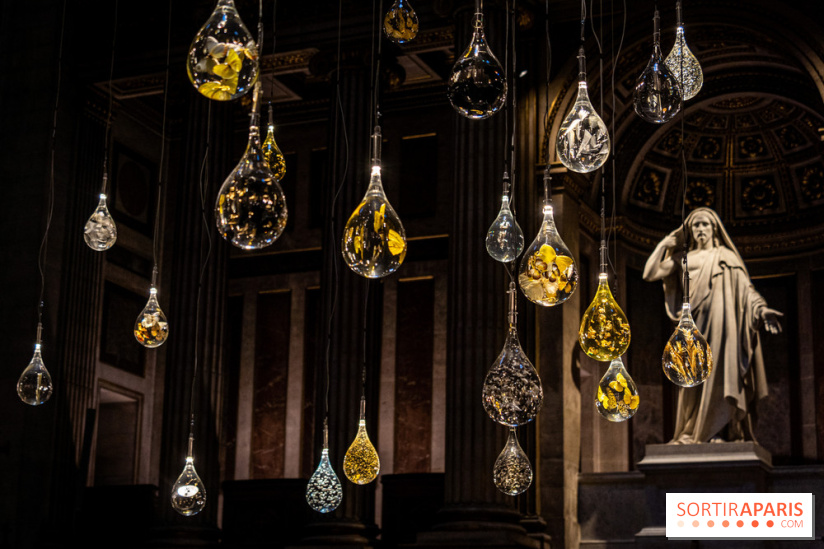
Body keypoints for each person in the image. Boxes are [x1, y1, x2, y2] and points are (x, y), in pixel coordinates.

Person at [643, 207, 782, 444]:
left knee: (723, 373)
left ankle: (723, 432)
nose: (700, 229)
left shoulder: (726, 256)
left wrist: (761, 309)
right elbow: (650, 273)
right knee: (693, 380)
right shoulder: (683, 258)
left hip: (725, 329)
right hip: (694, 328)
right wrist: (665, 244)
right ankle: (692, 431)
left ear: (714, 228)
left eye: (705, 224)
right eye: (695, 226)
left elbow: (747, 292)